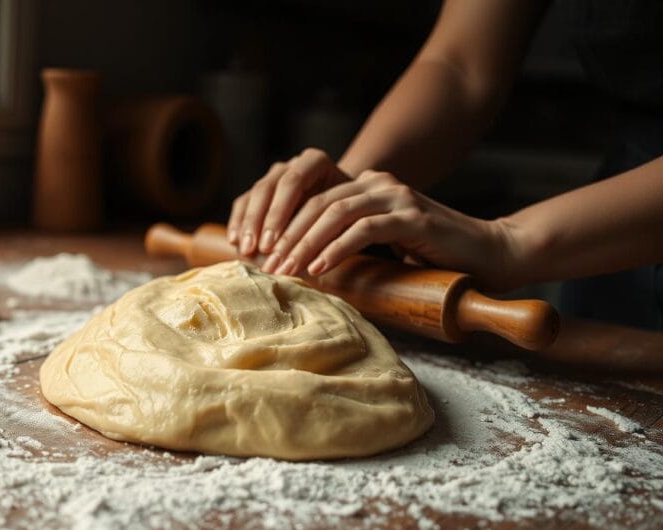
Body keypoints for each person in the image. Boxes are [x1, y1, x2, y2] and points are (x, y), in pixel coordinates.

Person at [226, 0, 663, 329]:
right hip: (610, 271)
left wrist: (509, 242)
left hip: (597, 233)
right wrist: (348, 192)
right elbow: (461, 65)